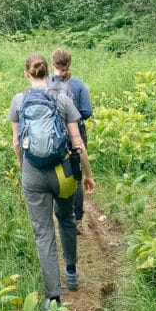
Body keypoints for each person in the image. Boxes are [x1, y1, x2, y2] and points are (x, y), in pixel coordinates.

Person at [9, 53, 96, 308]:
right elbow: (77, 142)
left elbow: (16, 143)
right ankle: (71, 271)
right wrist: (88, 175)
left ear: (27, 73)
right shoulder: (63, 98)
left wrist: (24, 168)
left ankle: (53, 297)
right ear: (48, 72)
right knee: (67, 218)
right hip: (63, 173)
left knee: (43, 232)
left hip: (33, 173)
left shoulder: (18, 100)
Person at [48, 47, 92, 224]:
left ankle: (59, 213)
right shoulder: (78, 85)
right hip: (76, 134)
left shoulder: (46, 84)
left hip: (53, 133)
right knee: (76, 174)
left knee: (54, 172)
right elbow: (87, 111)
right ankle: (77, 219)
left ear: (53, 64)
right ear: (70, 63)